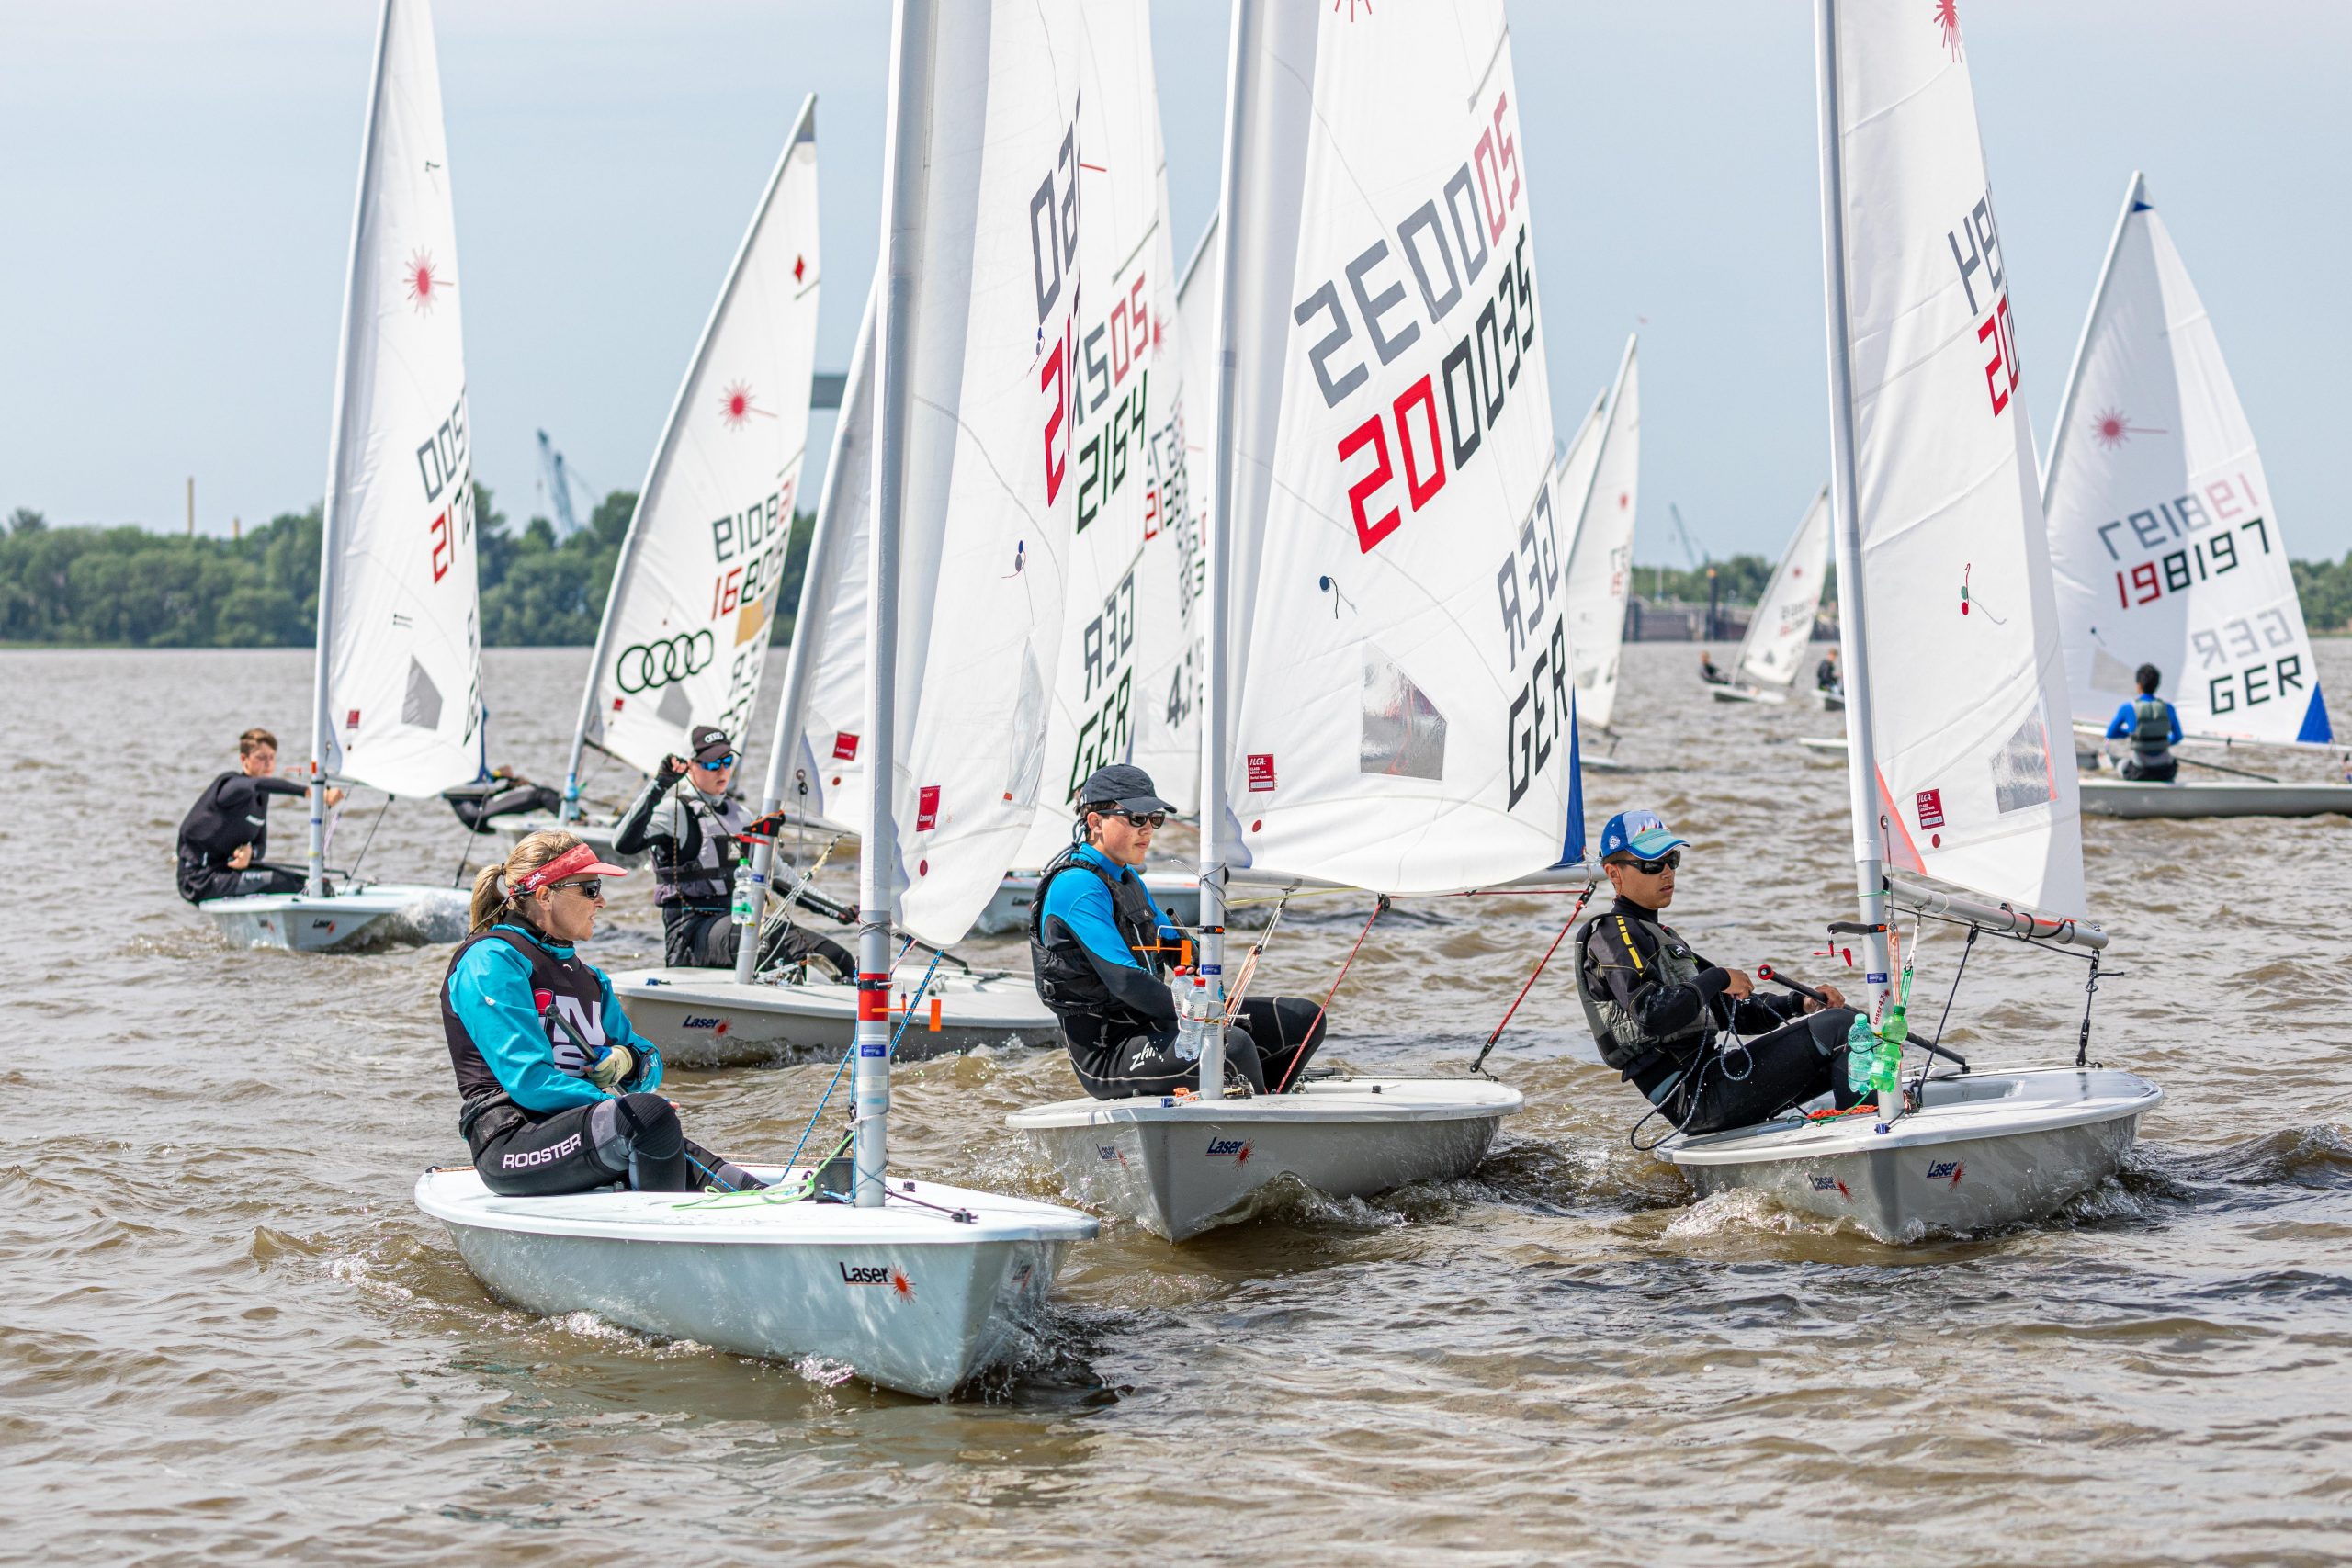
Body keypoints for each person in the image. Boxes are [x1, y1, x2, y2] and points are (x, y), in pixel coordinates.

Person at [441, 829, 768, 1196]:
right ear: (545, 895)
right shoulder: (491, 961)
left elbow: (648, 1059)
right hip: (513, 1140)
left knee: (741, 1185)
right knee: (648, 1118)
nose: (602, 901)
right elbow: (529, 1081)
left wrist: (627, 1060)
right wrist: (618, 1105)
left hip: (589, 1133)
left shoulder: (592, 980)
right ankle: (657, 1226)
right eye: (590, 889)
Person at [1030, 762, 1326, 1099]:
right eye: (1136, 818)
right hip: (1110, 1051)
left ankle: (1263, 1102)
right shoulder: (1076, 886)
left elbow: (1176, 945)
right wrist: (1203, 1016)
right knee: (1231, 1046)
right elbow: (1125, 981)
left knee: (1303, 1020)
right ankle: (1259, 1123)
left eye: (1154, 819)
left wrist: (1203, 976)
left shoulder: (1127, 878)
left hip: (1158, 1026)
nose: (1148, 829)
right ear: (1096, 822)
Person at [1574, 810, 1864, 1136]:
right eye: (1651, 864)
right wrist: (1720, 977)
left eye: (1672, 859)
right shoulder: (1613, 934)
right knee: (1840, 1029)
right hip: (1697, 1097)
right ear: (1614, 873)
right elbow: (1652, 1014)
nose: (1667, 871)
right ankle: (1864, 1132)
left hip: (1714, 1079)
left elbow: (1730, 1012)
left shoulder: (1661, 935)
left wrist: (1801, 1004)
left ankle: (1867, 1120)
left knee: (1853, 1030)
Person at [612, 724, 853, 976]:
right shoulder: (674, 811)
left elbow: (783, 877)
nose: (722, 770)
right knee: (762, 943)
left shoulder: (742, 816)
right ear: (690, 765)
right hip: (691, 937)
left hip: (740, 925)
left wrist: (841, 912)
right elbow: (623, 843)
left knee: (836, 957)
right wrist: (659, 785)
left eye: (727, 761)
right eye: (712, 763)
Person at [175, 727, 344, 903]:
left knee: (312, 883)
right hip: (198, 880)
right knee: (285, 884)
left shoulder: (262, 796)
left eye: (272, 757)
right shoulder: (232, 786)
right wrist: (313, 792)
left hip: (226, 872)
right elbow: (256, 784)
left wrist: (250, 853)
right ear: (244, 759)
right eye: (261, 758)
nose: (268, 764)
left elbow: (260, 846)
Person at [2105, 663, 2181, 783]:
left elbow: (2110, 734)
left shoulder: (2128, 708)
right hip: (2165, 771)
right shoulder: (2169, 708)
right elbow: (2178, 736)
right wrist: (2161, 742)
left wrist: (2130, 733)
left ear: (2139, 685)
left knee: (2121, 764)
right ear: (2157, 685)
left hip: (2140, 771)